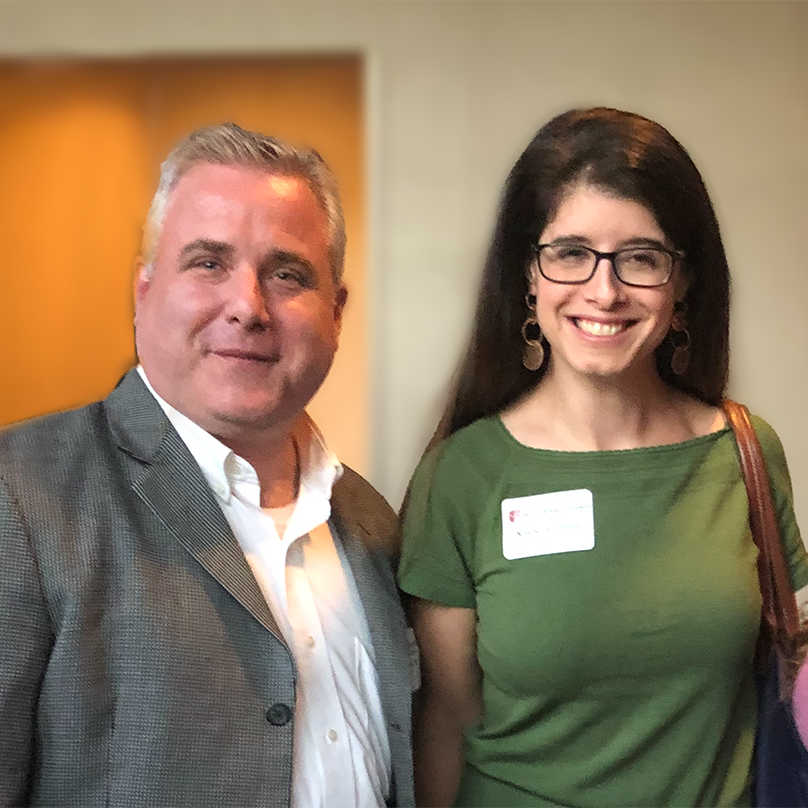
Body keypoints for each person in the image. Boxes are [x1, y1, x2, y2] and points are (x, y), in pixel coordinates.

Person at [397, 107, 808, 808]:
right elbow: (446, 722)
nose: (605, 290)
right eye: (570, 252)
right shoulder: (463, 476)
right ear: (528, 275)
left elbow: (794, 662)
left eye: (641, 258)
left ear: (682, 286)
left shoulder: (745, 453)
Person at [0, 123, 414, 808]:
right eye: (208, 263)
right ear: (144, 291)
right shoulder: (21, 493)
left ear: (336, 314)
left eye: (287, 273)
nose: (247, 307)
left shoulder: (372, 522)